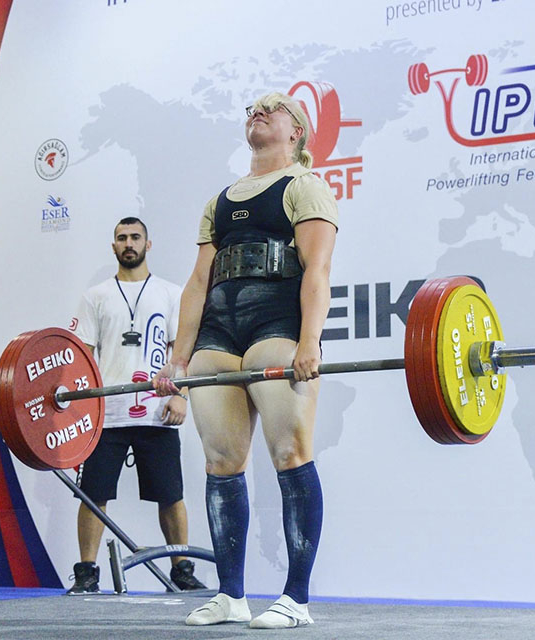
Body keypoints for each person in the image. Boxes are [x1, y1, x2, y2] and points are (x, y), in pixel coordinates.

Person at [153, 92, 338, 628]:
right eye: (254, 107)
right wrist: (178, 360)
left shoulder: (304, 185)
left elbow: (317, 269)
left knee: (290, 452)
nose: (259, 111)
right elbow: (196, 282)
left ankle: (296, 600)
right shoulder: (222, 198)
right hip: (219, 327)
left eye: (274, 108)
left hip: (276, 322)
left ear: (296, 132)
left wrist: (309, 343)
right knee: (221, 462)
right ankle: (231, 595)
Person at [66, 217, 206, 594]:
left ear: (148, 243)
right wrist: (81, 411)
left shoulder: (171, 293)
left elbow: (183, 352)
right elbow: (81, 356)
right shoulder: (96, 296)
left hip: (157, 412)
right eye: (121, 238)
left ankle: (182, 570)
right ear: (113, 246)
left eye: (135, 237)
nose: (128, 243)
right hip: (105, 415)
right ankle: (86, 573)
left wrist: (181, 394)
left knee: (171, 494)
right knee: (93, 494)